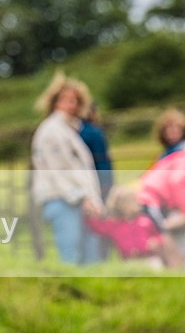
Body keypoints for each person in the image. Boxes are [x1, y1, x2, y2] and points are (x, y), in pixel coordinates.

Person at [31, 73, 104, 265]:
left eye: (75, 101)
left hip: (78, 200)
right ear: (54, 102)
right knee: (71, 256)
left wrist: (91, 199)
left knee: (89, 257)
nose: (71, 105)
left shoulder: (69, 130)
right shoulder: (52, 130)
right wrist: (82, 197)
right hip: (64, 200)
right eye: (65, 100)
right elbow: (58, 172)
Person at [86, 184, 180, 268]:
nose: (137, 204)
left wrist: (156, 242)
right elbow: (98, 227)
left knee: (155, 267)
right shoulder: (115, 225)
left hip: (149, 258)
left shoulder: (144, 221)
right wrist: (90, 215)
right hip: (128, 261)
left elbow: (157, 235)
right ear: (121, 205)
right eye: (132, 201)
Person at [78, 103, 113, 202]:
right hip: (96, 178)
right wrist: (107, 183)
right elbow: (101, 160)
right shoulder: (93, 132)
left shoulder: (71, 130)